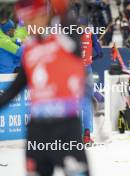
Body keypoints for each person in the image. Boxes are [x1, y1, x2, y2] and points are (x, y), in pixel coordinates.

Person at [0, 0, 90, 175]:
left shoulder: (65, 37)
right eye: (25, 19)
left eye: (34, 17)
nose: (29, 23)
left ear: (46, 14)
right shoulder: (30, 49)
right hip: (37, 131)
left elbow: (64, 13)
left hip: (66, 128)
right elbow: (14, 89)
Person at [79, 17, 103, 144]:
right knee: (86, 103)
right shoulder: (90, 34)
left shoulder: (70, 34)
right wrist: (91, 57)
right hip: (86, 69)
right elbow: (100, 54)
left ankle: (79, 134)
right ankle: (86, 134)